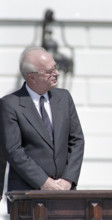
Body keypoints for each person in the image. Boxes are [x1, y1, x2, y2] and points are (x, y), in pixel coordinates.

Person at [0, 46, 84, 200]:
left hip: (65, 192)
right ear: (32, 77)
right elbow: (13, 151)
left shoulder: (64, 98)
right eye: (50, 71)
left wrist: (68, 179)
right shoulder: (10, 104)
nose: (56, 73)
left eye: (55, 68)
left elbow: (77, 140)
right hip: (27, 194)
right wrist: (44, 182)